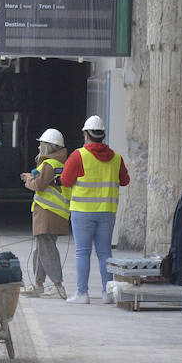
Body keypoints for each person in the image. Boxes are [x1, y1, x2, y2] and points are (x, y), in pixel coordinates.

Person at [60, 116, 131, 305]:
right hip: (107, 212)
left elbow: (65, 181)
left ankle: (82, 294)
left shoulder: (78, 156)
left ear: (86, 134)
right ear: (104, 134)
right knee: (105, 253)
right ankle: (108, 293)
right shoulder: (116, 158)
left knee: (83, 252)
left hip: (83, 212)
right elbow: (125, 181)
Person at [20, 128, 70, 299]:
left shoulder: (49, 164)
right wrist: (33, 177)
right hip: (56, 214)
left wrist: (28, 181)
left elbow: (39, 185)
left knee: (47, 249)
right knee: (42, 249)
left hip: (47, 214)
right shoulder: (60, 164)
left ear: (48, 146)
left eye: (41, 144)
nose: (39, 148)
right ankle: (39, 284)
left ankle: (58, 285)